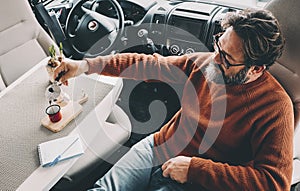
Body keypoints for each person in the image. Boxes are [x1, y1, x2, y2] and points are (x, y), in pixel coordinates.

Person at [54, 8, 294, 191]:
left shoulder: (276, 108)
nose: (215, 59)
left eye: (227, 59)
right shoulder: (205, 63)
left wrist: (195, 170)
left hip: (196, 180)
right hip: (156, 147)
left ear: (256, 69)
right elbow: (148, 65)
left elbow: (273, 182)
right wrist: (85, 66)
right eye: (218, 46)